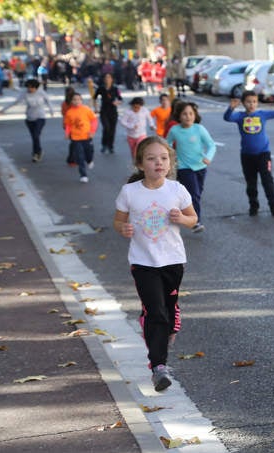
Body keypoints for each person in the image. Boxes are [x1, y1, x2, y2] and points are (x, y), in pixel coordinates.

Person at [113, 136, 198, 392]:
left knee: (167, 312)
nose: (158, 163)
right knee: (156, 312)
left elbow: (193, 219)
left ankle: (162, 325)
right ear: (140, 164)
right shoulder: (130, 192)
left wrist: (182, 219)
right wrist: (123, 228)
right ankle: (158, 367)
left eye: (163, 158)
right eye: (151, 158)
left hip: (173, 261)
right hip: (143, 262)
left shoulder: (176, 190)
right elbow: (117, 221)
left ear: (170, 162)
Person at [223, 90, 274, 217]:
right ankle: (253, 205)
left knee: (267, 180)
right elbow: (227, 118)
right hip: (247, 156)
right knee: (251, 183)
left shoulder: (262, 114)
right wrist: (230, 108)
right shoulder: (239, 116)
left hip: (263, 154)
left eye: (254, 102)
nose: (252, 104)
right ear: (243, 103)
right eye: (249, 102)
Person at [165, 102, 216, 233]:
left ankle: (186, 210)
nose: (188, 116)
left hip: (201, 166)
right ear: (179, 116)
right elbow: (166, 144)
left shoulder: (199, 129)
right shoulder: (175, 130)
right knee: (194, 193)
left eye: (191, 114)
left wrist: (208, 157)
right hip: (184, 167)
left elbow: (211, 145)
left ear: (195, 115)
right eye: (184, 114)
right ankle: (195, 221)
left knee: (197, 193)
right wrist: (170, 157)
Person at [0, 79, 54, 163]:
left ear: (36, 87)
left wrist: (51, 111)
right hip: (29, 118)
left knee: (36, 135)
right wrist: (3, 110)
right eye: (28, 87)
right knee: (34, 137)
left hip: (40, 117)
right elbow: (15, 102)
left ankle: (36, 153)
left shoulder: (41, 92)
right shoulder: (25, 93)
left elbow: (48, 101)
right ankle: (37, 151)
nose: (29, 89)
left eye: (31, 88)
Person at [63, 92, 98, 183]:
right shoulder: (69, 112)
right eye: (74, 99)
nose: (76, 101)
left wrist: (92, 131)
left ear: (81, 100)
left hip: (87, 136)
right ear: (71, 101)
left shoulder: (86, 109)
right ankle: (83, 175)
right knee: (80, 156)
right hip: (75, 138)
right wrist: (67, 133)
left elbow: (94, 120)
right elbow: (68, 125)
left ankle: (90, 161)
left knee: (89, 152)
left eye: (78, 99)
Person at [93, 73, 123, 154]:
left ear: (112, 79)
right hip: (104, 111)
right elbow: (94, 98)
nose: (107, 79)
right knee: (106, 128)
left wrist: (117, 102)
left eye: (109, 77)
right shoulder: (101, 88)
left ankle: (110, 146)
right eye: (106, 77)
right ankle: (104, 144)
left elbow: (120, 99)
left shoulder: (115, 88)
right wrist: (96, 108)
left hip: (113, 111)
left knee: (112, 130)